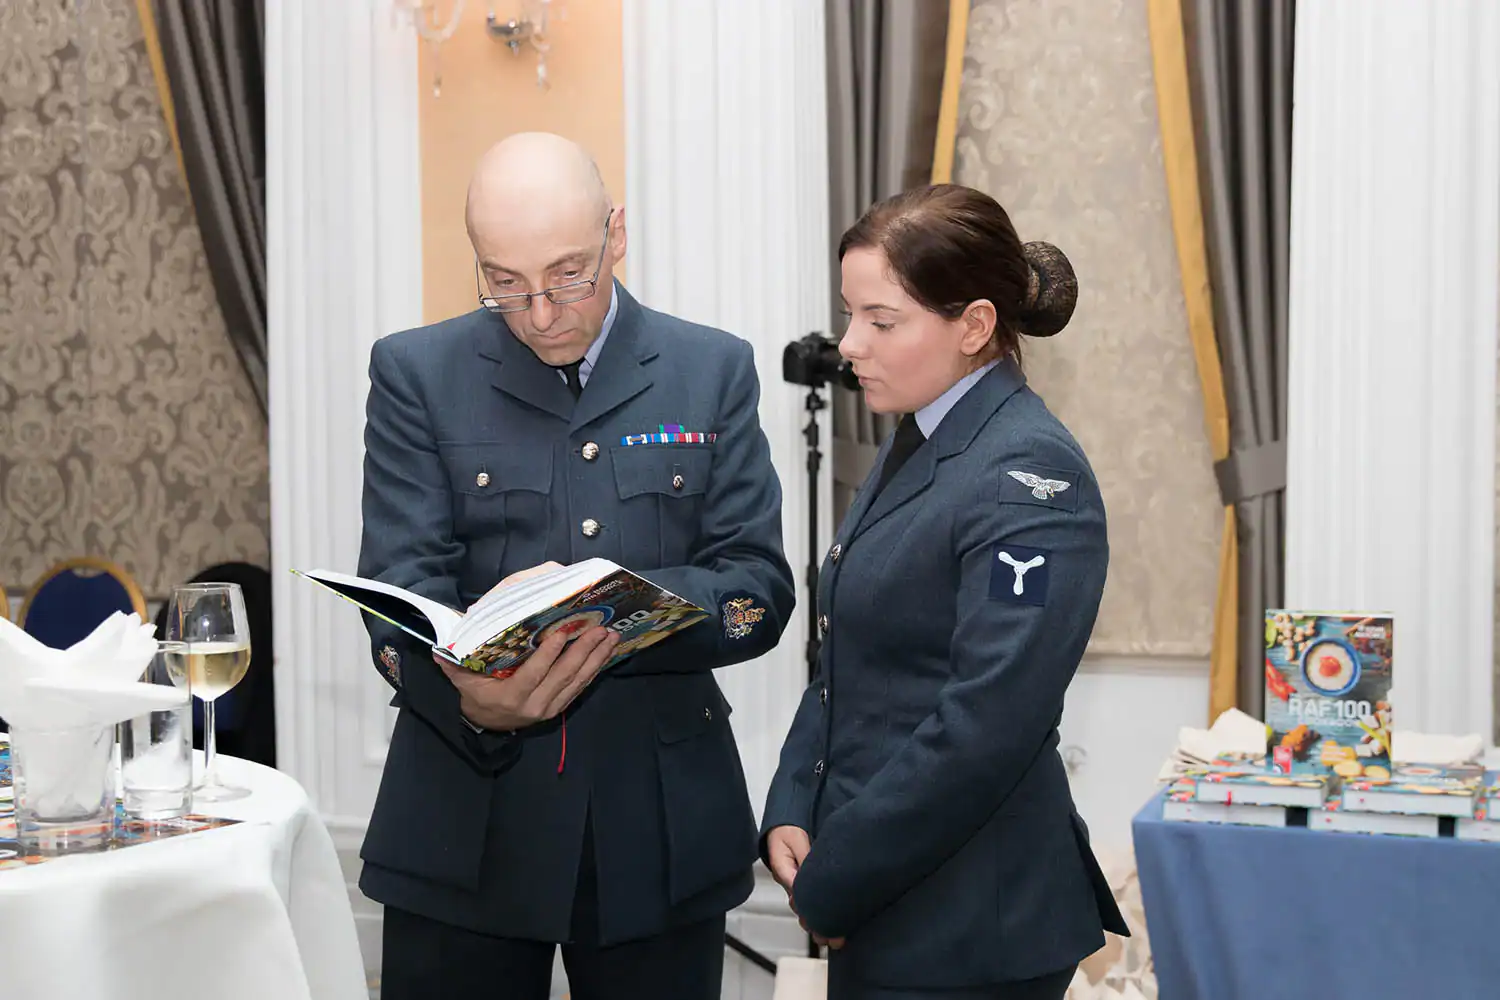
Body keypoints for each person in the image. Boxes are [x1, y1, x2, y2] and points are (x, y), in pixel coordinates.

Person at [356, 132, 795, 1000]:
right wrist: (469, 697)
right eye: (505, 283)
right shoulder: (417, 372)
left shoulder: (710, 369)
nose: (541, 312)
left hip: (657, 820)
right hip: (464, 816)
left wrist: (614, 610)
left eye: (569, 275)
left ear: (616, 235)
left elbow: (758, 590)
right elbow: (399, 593)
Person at [761, 184, 1129, 1000]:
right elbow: (850, 652)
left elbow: (983, 727)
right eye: (851, 314)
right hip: (894, 892)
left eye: (882, 321)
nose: (851, 344)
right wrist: (794, 798)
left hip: (970, 926)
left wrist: (839, 876)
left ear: (974, 325)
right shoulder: (927, 435)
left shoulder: (1026, 477)